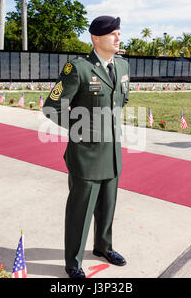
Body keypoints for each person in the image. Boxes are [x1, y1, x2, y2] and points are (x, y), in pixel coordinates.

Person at [43, 15, 130, 278]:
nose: (118, 38)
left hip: (112, 152)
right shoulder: (78, 69)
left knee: (107, 206)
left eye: (119, 33)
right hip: (86, 153)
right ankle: (73, 261)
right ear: (96, 38)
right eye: (113, 34)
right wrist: (82, 129)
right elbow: (52, 107)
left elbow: (120, 101)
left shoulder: (123, 66)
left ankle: (103, 247)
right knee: (80, 212)